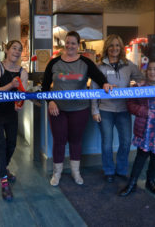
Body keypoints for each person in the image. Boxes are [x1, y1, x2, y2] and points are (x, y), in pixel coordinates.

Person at [42, 31, 114, 187]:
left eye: (73, 43)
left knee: (76, 141)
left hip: (79, 109)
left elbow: (99, 77)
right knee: (59, 141)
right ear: (64, 44)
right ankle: (57, 173)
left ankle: (76, 172)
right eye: (67, 42)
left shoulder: (85, 62)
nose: (70, 46)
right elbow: (44, 87)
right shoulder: (54, 63)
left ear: (78, 45)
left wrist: (105, 84)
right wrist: (50, 101)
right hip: (57, 109)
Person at [119, 59, 155, 197]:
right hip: (146, 127)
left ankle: (151, 181)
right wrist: (143, 111)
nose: (152, 72)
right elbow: (130, 104)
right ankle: (132, 183)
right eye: (150, 69)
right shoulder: (140, 87)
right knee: (141, 156)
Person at [91, 34, 143, 183]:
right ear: (107, 48)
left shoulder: (129, 65)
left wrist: (136, 84)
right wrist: (94, 111)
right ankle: (108, 170)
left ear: (121, 48)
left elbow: (140, 78)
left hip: (123, 110)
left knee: (126, 142)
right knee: (107, 143)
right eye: (112, 45)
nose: (114, 48)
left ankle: (121, 170)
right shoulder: (99, 67)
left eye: (117, 45)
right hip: (105, 110)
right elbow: (94, 89)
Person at [0, 40, 28, 201]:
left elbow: (22, 94)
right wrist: (11, 84)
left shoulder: (22, 72)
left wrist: (20, 103)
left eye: (20, 50)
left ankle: (2, 168)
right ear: (7, 50)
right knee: (1, 145)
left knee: (12, 143)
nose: (17, 52)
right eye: (14, 48)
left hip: (10, 113)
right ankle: (4, 181)